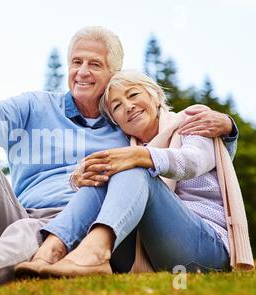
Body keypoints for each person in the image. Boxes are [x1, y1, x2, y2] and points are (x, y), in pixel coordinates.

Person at [0, 26, 239, 288]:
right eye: (76, 62)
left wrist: (227, 128)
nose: (82, 72)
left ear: (115, 72)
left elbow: (194, 157)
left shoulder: (125, 125)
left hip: (81, 224)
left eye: (95, 64)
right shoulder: (36, 107)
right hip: (19, 213)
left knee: (44, 227)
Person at [14, 70, 253, 278]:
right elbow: (102, 188)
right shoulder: (127, 146)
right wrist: (77, 180)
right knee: (107, 171)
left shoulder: (190, 120)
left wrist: (139, 156)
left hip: (204, 250)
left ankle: (95, 253)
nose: (128, 106)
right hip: (148, 253)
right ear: (115, 121)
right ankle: (51, 250)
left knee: (131, 166)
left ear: (155, 95)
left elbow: (193, 161)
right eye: (117, 106)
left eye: (134, 94)